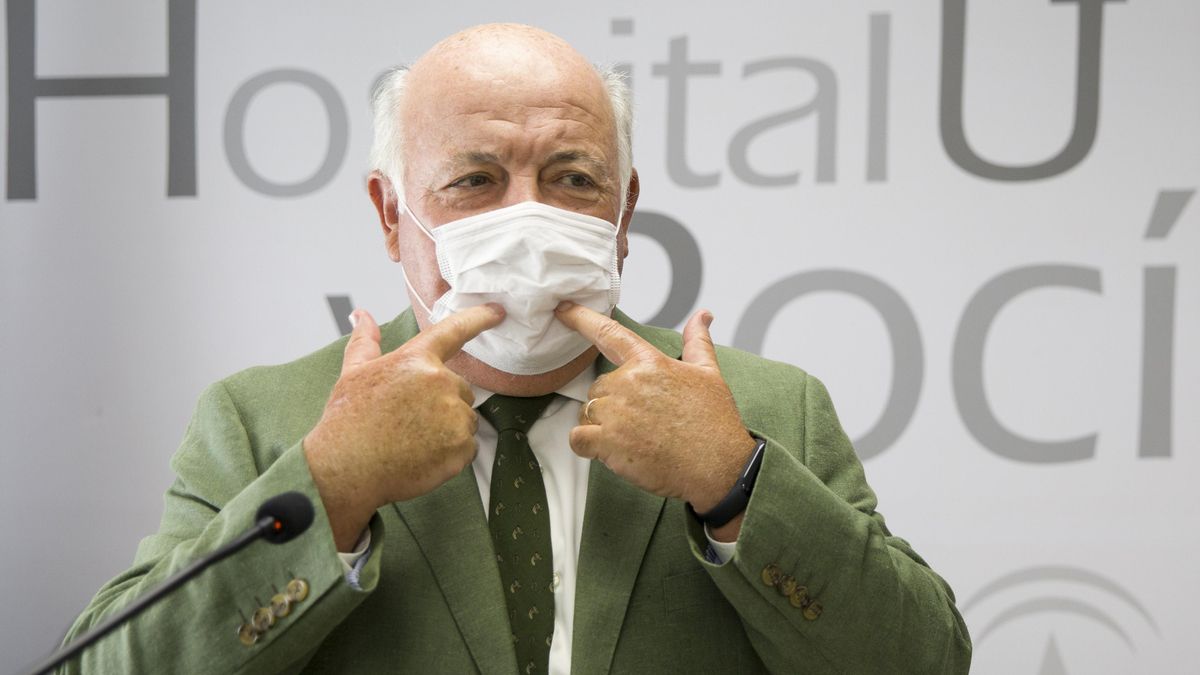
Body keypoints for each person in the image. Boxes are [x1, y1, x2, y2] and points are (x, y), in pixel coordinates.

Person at [63, 23, 971, 674]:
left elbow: (926, 661)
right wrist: (332, 483)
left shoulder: (766, 409)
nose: (527, 218)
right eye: (475, 179)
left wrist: (733, 482)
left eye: (573, 178)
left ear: (625, 212)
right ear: (391, 213)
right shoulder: (263, 419)